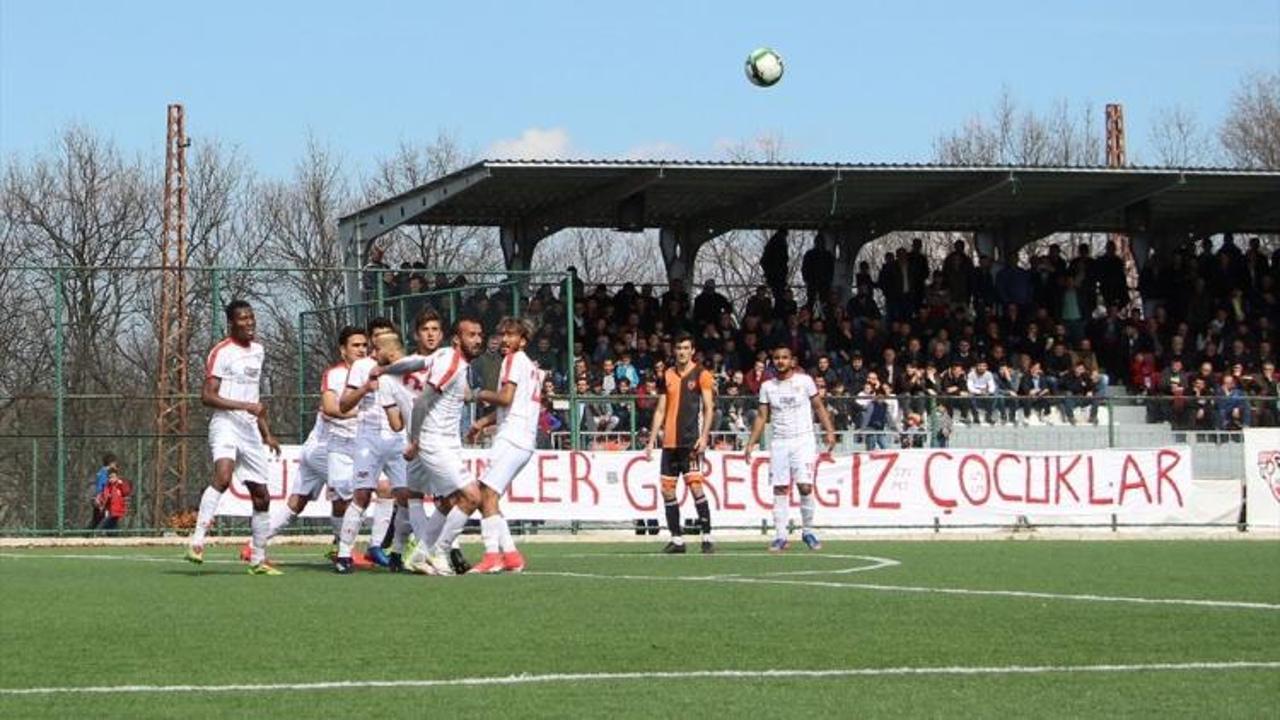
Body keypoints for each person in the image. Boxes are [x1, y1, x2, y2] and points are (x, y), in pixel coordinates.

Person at [251, 326, 366, 564]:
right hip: (325, 448)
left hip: (320, 448)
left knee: (297, 503)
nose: (361, 349)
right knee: (352, 493)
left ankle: (254, 544)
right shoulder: (335, 375)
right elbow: (331, 409)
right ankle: (343, 549)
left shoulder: (368, 375)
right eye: (355, 345)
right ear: (343, 350)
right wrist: (363, 413)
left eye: (364, 345)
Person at [186, 300, 282, 575]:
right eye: (243, 318)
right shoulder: (222, 352)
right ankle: (197, 542)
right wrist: (244, 407)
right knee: (224, 476)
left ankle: (258, 560)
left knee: (262, 496)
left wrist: (266, 433)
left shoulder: (259, 351)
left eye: (251, 317)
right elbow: (207, 396)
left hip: (250, 429)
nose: (249, 323)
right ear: (231, 323)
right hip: (226, 423)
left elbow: (254, 398)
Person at [405, 316, 486, 576]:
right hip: (434, 440)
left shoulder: (459, 364)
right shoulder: (452, 362)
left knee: (451, 499)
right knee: (472, 496)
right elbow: (421, 402)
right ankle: (440, 551)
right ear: (456, 339)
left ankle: (420, 555)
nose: (477, 340)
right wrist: (415, 441)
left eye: (479, 335)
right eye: (471, 335)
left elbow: (462, 396)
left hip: (448, 442)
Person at [463, 317, 543, 573]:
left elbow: (505, 398)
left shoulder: (513, 360)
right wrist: (481, 423)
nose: (505, 340)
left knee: (485, 492)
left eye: (511, 335)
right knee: (490, 495)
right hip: (522, 438)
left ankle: (492, 555)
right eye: (502, 335)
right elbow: (511, 405)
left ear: (523, 340)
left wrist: (476, 394)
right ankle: (510, 555)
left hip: (512, 437)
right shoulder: (528, 365)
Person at [746, 343, 837, 551]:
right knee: (780, 488)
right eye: (777, 358)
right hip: (779, 441)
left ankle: (808, 531)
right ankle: (780, 536)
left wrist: (830, 431)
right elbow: (761, 416)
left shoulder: (805, 381)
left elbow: (818, 406)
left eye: (784, 357)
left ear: (792, 361)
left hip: (803, 440)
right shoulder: (767, 387)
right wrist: (751, 442)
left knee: (805, 486)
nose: (781, 361)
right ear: (773, 362)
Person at [335, 319, 407, 573]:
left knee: (406, 497)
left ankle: (396, 552)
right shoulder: (362, 366)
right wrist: (366, 387)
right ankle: (344, 554)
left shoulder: (403, 367)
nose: (382, 341)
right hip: (369, 438)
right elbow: (343, 404)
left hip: (397, 438)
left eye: (387, 336)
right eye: (377, 336)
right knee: (362, 495)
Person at [644, 331, 717, 554]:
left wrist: (704, 436)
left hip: (690, 441)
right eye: (679, 348)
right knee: (667, 490)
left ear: (692, 351)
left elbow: (709, 408)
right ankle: (677, 540)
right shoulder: (667, 375)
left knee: (695, 486)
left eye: (686, 348)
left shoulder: (702, 374)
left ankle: (707, 537)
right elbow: (660, 409)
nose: (682, 352)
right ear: (674, 351)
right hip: (669, 442)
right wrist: (651, 440)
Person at [94, 467, 132, 532]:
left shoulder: (120, 485)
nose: (111, 479)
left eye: (113, 477)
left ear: (117, 477)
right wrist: (99, 500)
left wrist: (121, 484)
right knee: (111, 529)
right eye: (110, 477)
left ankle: (98, 534)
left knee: (103, 526)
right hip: (110, 511)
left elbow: (126, 492)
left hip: (117, 512)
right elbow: (104, 496)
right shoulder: (107, 487)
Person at [89, 453, 119, 529]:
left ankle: (87, 533)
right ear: (111, 463)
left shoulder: (102, 472)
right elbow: (101, 486)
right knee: (111, 519)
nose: (116, 465)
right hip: (103, 500)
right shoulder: (105, 473)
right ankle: (111, 532)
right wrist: (100, 498)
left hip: (102, 499)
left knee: (97, 520)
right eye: (114, 463)